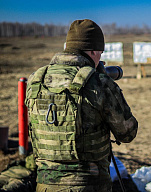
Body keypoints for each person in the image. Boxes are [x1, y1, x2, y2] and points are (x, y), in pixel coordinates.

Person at [25, 19, 138, 192]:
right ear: (93, 51)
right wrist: (106, 85)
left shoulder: (36, 79)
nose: (100, 58)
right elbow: (127, 133)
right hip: (89, 185)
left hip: (44, 185)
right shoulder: (98, 83)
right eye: (100, 53)